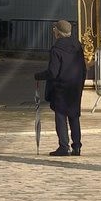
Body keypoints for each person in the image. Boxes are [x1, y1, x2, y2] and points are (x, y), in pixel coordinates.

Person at [35, 19, 87, 157]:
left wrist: (38, 76)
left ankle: (64, 146)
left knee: (61, 116)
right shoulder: (77, 45)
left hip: (61, 87)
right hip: (75, 86)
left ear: (58, 32)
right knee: (74, 116)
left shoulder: (56, 49)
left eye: (55, 30)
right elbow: (83, 68)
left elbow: (53, 72)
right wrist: (80, 84)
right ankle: (77, 146)